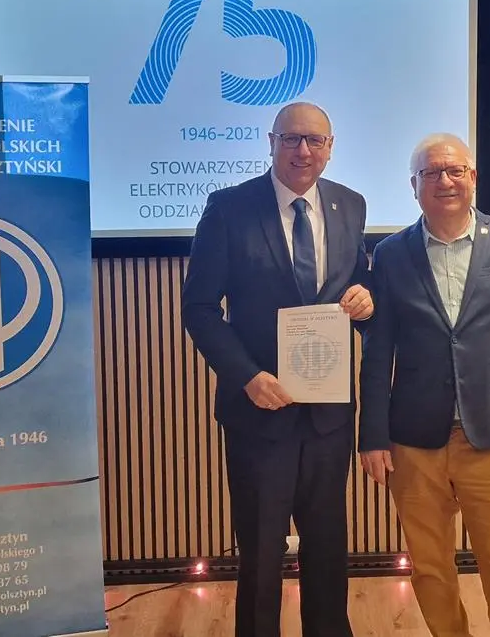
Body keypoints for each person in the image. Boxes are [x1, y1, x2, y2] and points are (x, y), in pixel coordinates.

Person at [356, 132, 490, 637]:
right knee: (431, 572)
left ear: (473, 178)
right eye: (431, 172)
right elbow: (377, 351)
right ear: (414, 186)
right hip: (415, 443)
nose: (445, 181)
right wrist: (372, 435)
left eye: (455, 170)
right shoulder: (390, 254)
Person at [181, 102, 373, 637]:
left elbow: (358, 282)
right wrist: (246, 375)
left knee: (328, 547)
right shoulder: (229, 208)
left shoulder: (350, 205)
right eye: (291, 139)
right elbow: (199, 308)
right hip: (259, 412)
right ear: (271, 142)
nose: (302, 151)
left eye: (315, 140)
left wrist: (367, 297)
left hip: (328, 416)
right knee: (262, 554)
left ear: (330, 147)